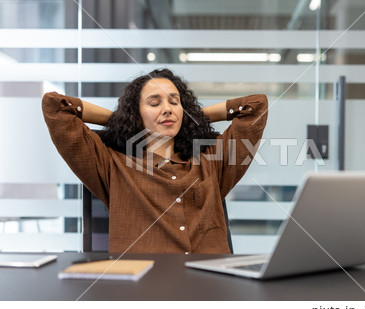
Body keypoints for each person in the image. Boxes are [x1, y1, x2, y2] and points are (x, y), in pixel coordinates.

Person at [42, 68, 268, 254]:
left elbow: (256, 106)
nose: (167, 109)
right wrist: (123, 121)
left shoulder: (211, 159)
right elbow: (56, 106)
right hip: (144, 291)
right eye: (154, 103)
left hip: (211, 287)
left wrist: (193, 118)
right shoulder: (112, 164)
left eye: (174, 102)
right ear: (136, 113)